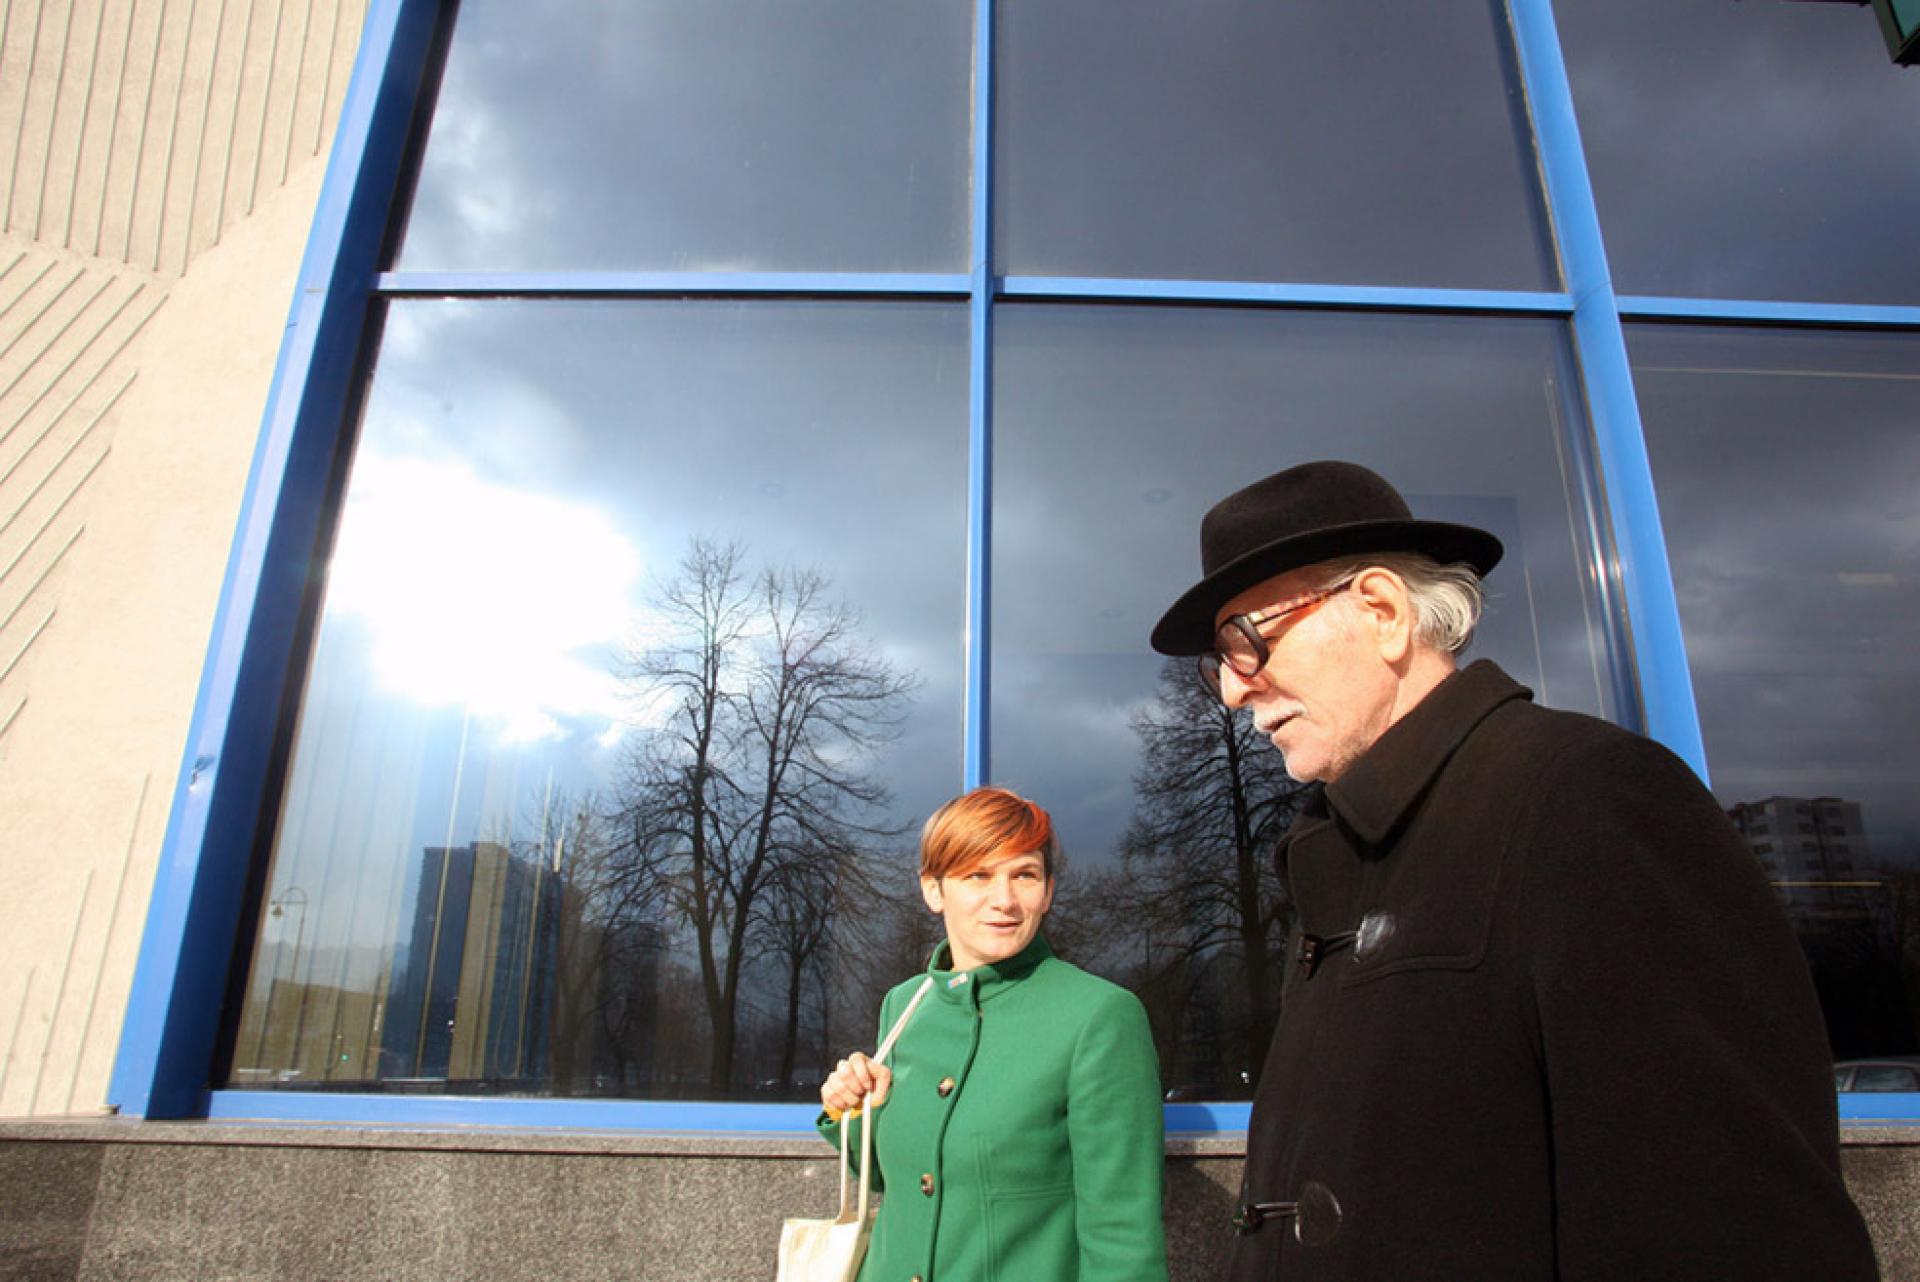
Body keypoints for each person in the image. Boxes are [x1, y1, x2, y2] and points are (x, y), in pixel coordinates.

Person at [1148, 460, 1879, 1281]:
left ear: (1382, 612)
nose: (1237, 691)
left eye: (1248, 641)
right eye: (1221, 663)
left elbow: (1740, 1233)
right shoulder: (1336, 854)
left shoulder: (1588, 799)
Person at [818, 786, 1169, 1282]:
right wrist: (850, 1111)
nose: (1003, 900)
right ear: (934, 889)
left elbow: (1123, 1234)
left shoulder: (1100, 1016)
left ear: (1046, 890)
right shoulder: (905, 1004)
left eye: (1024, 874)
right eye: (978, 875)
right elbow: (898, 1181)